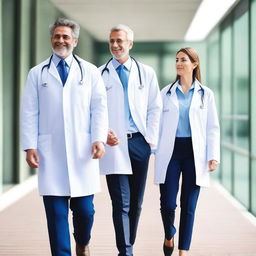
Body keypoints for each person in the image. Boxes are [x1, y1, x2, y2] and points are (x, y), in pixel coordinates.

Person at [20, 17, 108, 256]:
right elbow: (29, 111)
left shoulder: (89, 71)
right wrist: (29, 146)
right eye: (57, 36)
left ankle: (82, 242)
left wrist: (98, 138)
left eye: (65, 36)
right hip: (51, 153)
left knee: (85, 211)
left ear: (75, 41)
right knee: (56, 215)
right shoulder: (37, 73)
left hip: (83, 151)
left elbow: (99, 107)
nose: (61, 40)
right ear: (52, 39)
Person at [99, 24, 162, 256]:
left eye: (120, 41)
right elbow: (93, 110)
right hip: (113, 145)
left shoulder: (146, 72)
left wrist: (150, 140)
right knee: (121, 203)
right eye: (112, 41)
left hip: (139, 143)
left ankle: (128, 244)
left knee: (136, 203)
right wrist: (103, 131)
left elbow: (155, 107)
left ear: (130, 44)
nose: (115, 45)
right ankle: (125, 251)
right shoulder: (99, 74)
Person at [154, 47, 220, 256]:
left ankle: (183, 251)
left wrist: (213, 156)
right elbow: (157, 124)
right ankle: (169, 233)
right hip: (171, 152)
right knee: (167, 204)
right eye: (177, 60)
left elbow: (212, 127)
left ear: (194, 63)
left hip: (195, 153)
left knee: (188, 206)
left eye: (183, 60)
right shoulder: (165, 93)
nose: (179, 63)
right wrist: (154, 149)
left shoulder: (205, 94)